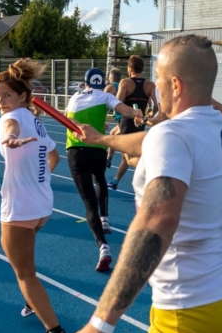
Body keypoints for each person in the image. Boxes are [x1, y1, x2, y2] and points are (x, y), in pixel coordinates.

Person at [44, 34, 222, 333]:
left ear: (175, 85)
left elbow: (157, 222)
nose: (156, 88)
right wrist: (103, 138)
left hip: (189, 306)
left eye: (159, 79)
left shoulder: (174, 135)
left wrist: (100, 324)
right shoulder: (212, 124)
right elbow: (152, 139)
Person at [0, 58, 66, 333]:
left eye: (7, 95)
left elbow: (10, 126)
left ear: (22, 95)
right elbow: (54, 156)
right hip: (42, 205)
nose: (1, 102)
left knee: (24, 272)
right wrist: (39, 180)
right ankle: (31, 301)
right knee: (22, 262)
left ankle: (55, 332)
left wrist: (11, 138)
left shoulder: (11, 119)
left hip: (20, 207)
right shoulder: (35, 120)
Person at [66, 68, 141, 271]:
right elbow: (125, 110)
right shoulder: (105, 96)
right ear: (102, 83)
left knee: (89, 204)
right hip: (98, 148)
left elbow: (68, 120)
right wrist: (137, 114)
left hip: (76, 150)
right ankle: (105, 219)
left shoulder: (74, 97)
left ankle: (103, 247)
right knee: (100, 179)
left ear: (85, 82)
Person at [107, 56, 158, 191]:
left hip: (127, 122)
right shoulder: (150, 85)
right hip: (140, 122)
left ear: (130, 68)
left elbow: (116, 103)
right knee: (129, 154)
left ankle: (150, 178)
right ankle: (115, 181)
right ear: (142, 68)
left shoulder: (125, 82)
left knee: (128, 156)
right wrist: (149, 115)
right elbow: (156, 105)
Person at [104, 67, 122, 168]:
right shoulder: (123, 85)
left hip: (124, 119)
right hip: (124, 118)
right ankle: (108, 159)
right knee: (112, 135)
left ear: (111, 77)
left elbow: (103, 104)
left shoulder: (111, 87)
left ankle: (107, 159)